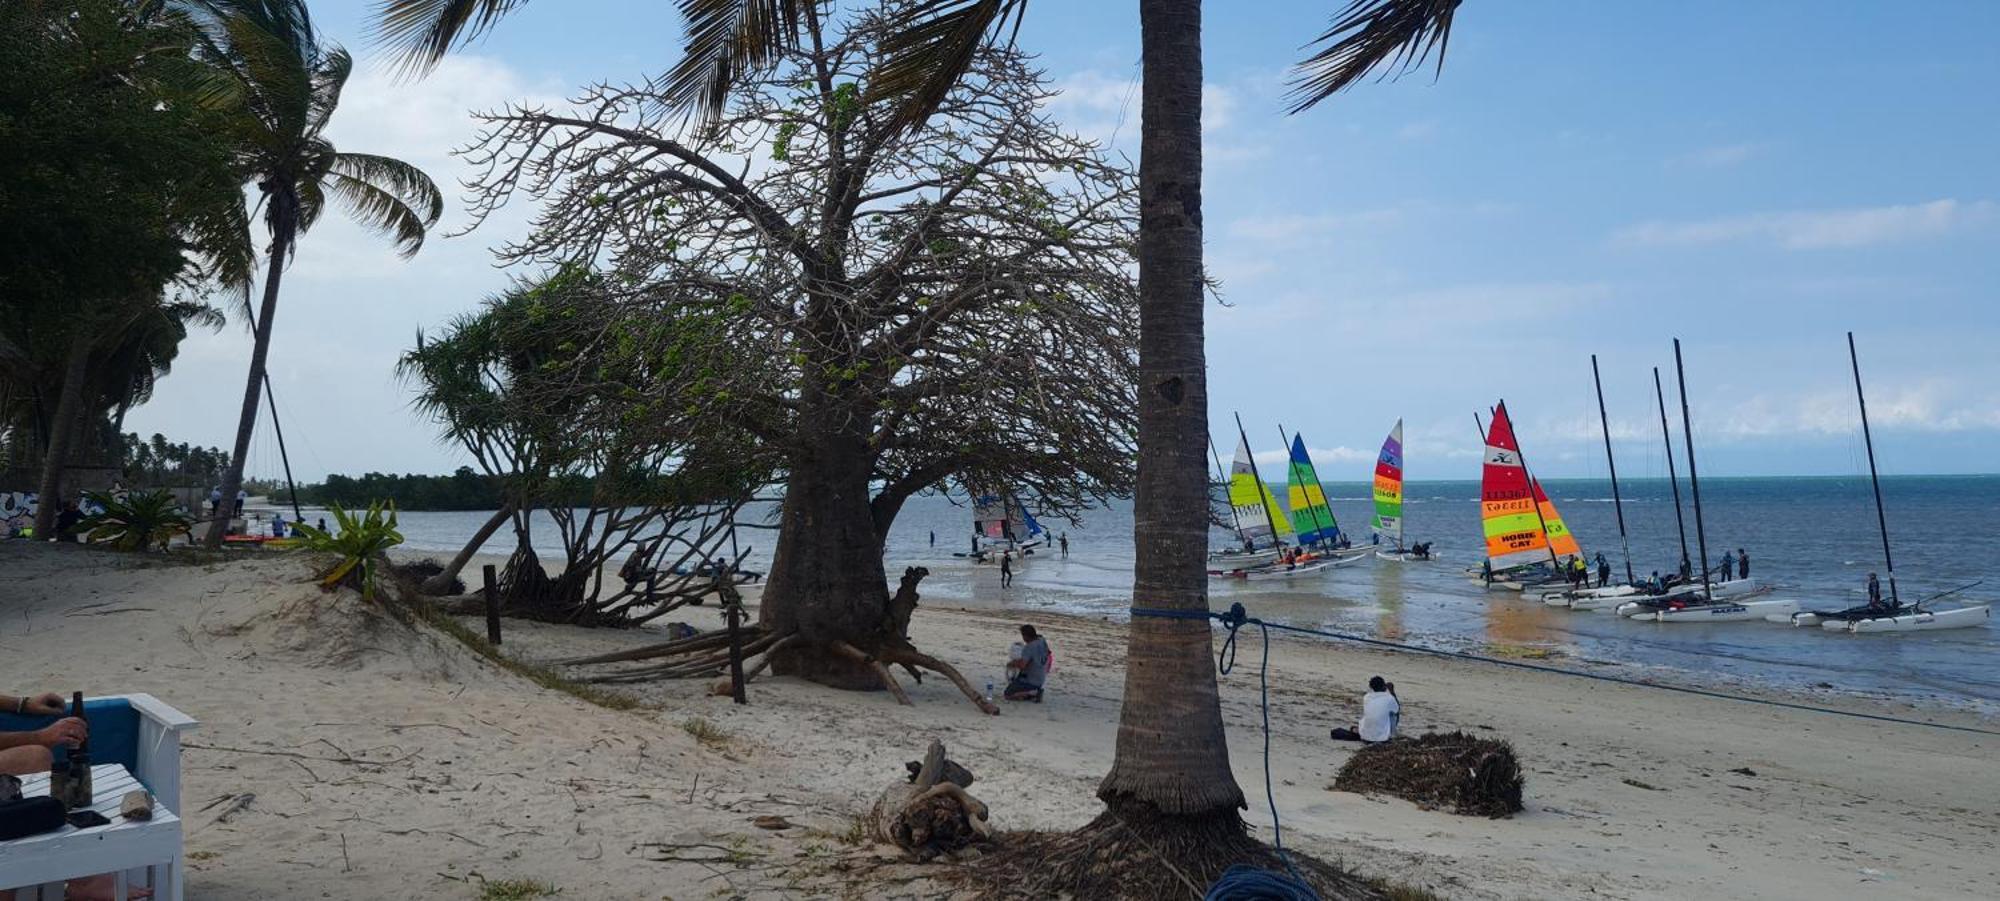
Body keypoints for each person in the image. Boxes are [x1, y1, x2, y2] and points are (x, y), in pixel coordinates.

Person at [1330, 676, 1401, 743]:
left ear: (1371, 687)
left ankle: (1362, 730)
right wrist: (1392, 691)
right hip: (1382, 738)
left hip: (1365, 737)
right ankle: (1392, 734)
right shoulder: (1389, 698)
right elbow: (1397, 709)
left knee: (1373, 713)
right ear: (1384, 686)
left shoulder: (1366, 697)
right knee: (1393, 713)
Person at [1004, 625, 1050, 701]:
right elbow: (1047, 653)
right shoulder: (1042, 640)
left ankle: (1034, 692)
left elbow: (1022, 665)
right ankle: (1029, 693)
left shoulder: (1029, 647)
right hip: (1041, 678)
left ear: (1025, 636)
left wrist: (1013, 663)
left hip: (1031, 681)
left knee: (1008, 695)